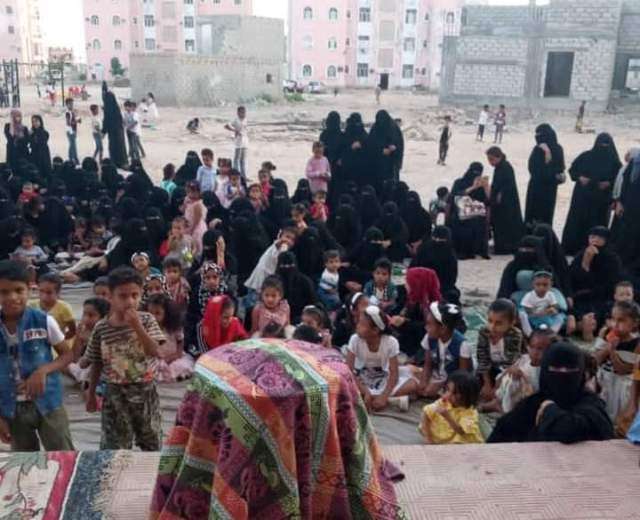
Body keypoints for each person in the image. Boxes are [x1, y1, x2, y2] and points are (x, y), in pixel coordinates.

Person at [85, 267, 165, 450]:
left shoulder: (147, 320)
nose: (130, 301)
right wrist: (91, 393)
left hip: (145, 390)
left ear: (141, 294)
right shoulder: (102, 328)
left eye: (134, 295)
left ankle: (151, 469)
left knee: (151, 440)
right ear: (111, 297)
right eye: (122, 296)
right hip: (115, 393)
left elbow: (156, 351)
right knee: (115, 445)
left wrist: (137, 327)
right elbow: (96, 362)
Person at [0, 260, 74, 451]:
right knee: (24, 461)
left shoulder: (44, 321)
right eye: (4, 292)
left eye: (19, 290)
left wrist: (43, 371)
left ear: (29, 290)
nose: (12, 297)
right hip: (11, 408)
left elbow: (67, 355)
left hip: (48, 402)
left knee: (62, 455)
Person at [488, 341, 614, 443]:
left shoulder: (591, 405)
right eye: (555, 368)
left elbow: (572, 430)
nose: (563, 375)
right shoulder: (530, 406)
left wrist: (550, 411)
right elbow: (498, 440)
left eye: (570, 370)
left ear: (581, 374)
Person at [346, 305, 417, 412]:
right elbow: (348, 371)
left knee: (412, 385)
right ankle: (391, 400)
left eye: (362, 324)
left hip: (383, 378)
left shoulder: (391, 342)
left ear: (375, 330)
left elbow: (394, 374)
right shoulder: (355, 339)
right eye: (359, 322)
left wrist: (384, 396)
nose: (357, 326)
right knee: (344, 385)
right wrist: (365, 391)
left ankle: (375, 399)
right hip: (361, 379)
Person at [562, 133, 621, 256]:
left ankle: (596, 249)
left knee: (597, 223)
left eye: (606, 144)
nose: (603, 147)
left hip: (601, 199)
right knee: (577, 221)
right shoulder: (586, 156)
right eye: (601, 144)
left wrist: (609, 183)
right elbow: (572, 170)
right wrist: (580, 177)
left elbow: (620, 180)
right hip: (582, 196)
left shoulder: (615, 162)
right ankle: (573, 248)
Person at [570, 227, 623, 342]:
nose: (595, 240)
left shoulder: (612, 259)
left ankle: (589, 330)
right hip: (580, 296)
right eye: (592, 237)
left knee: (598, 312)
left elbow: (610, 285)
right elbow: (573, 279)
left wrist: (586, 268)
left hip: (602, 297)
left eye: (600, 237)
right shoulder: (581, 255)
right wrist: (585, 262)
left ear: (606, 240)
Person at [594, 300, 640, 422]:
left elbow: (623, 370)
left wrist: (612, 351)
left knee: (617, 417)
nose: (615, 324)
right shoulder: (605, 333)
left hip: (622, 387)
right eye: (613, 319)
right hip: (604, 381)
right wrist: (607, 348)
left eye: (621, 320)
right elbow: (595, 361)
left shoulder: (636, 344)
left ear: (634, 323)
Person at [493, 328, 555, 414]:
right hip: (508, 395)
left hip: (529, 402)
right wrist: (511, 370)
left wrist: (523, 378)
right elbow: (503, 377)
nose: (535, 352)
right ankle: (499, 404)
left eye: (540, 349)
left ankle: (503, 408)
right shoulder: (524, 359)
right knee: (511, 378)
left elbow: (538, 393)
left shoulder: (547, 370)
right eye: (532, 347)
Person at [419, 302, 472, 398]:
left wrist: (442, 385)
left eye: (429, 324)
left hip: (453, 383)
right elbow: (427, 365)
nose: (426, 327)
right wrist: (423, 382)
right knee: (409, 371)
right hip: (436, 375)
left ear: (443, 328)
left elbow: (462, 378)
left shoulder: (462, 345)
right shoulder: (429, 337)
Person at [477, 299, 525, 403]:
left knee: (510, 386)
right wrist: (487, 384)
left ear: (511, 323)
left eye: (498, 323)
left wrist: (496, 386)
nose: (492, 327)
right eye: (490, 321)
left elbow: (510, 363)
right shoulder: (484, 332)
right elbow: (483, 359)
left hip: (507, 370)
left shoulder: (515, 335)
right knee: (473, 383)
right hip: (490, 368)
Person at [420, 371, 483, 444]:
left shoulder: (470, 412)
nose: (448, 395)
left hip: (459, 439)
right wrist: (428, 438)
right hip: (441, 434)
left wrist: (447, 416)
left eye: (455, 393)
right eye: (448, 390)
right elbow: (426, 412)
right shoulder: (445, 401)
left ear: (467, 397)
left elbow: (461, 431)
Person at [391, 267, 441, 358]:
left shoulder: (434, 308)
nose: (405, 285)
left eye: (408, 282)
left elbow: (427, 329)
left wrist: (405, 322)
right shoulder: (410, 299)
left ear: (417, 285)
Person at [145, 294, 194, 382]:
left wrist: (176, 355)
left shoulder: (173, 328)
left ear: (167, 313)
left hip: (174, 356)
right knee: (152, 369)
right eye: (150, 313)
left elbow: (180, 341)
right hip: (157, 359)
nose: (153, 317)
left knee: (180, 367)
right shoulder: (147, 328)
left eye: (157, 313)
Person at [525, 124, 565, 227]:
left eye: (540, 135)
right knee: (533, 217)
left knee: (546, 217)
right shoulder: (537, 150)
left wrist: (548, 158)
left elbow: (560, 169)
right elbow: (533, 170)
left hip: (549, 190)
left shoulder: (558, 149)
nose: (537, 138)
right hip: (536, 189)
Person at [487, 146, 524, 255]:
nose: (490, 162)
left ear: (498, 157)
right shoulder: (499, 167)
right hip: (501, 201)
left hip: (507, 202)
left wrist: (501, 193)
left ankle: (506, 247)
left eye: (491, 159)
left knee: (506, 224)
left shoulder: (506, 167)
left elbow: (508, 184)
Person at [449, 162, 490, 259]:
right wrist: (473, 187)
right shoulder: (459, 182)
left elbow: (488, 200)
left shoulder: (481, 185)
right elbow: (456, 195)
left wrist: (486, 187)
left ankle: (478, 250)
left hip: (477, 211)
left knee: (478, 222)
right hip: (461, 211)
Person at [68, 298, 110, 389]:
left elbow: (100, 358)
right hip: (86, 366)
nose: (86, 319)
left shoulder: (105, 331)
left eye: (91, 315)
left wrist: (89, 340)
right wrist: (78, 338)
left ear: (103, 317)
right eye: (84, 314)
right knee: (63, 363)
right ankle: (84, 381)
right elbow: (74, 358)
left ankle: (87, 383)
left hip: (101, 368)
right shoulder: (83, 331)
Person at [412, 226, 459, 304]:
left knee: (452, 295)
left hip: (441, 287)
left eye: (441, 240)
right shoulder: (424, 249)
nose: (437, 241)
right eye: (436, 239)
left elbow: (451, 278)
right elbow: (413, 270)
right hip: (423, 286)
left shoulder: (449, 254)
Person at [29, 273, 76, 350]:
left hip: (56, 344)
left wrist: (59, 340)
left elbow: (72, 331)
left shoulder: (64, 308)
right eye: (41, 291)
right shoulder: (31, 306)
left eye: (49, 293)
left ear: (58, 293)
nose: (44, 296)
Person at [519, 271, 565, 337]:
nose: (541, 288)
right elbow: (527, 310)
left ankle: (552, 333)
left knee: (560, 317)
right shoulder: (529, 296)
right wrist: (538, 313)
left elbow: (554, 306)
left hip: (547, 316)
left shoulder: (550, 294)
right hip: (533, 317)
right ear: (533, 284)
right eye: (538, 285)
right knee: (522, 314)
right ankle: (530, 334)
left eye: (545, 285)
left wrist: (552, 309)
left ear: (551, 285)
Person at [367, 110, 404, 192]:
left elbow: (400, 145)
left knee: (391, 188)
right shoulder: (375, 129)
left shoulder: (394, 128)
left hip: (391, 164)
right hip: (377, 165)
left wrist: (394, 149)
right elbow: (370, 145)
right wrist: (381, 150)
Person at [102, 82, 128, 168]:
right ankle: (122, 162)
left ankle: (116, 163)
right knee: (120, 146)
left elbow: (106, 119)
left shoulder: (108, 105)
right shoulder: (116, 107)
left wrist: (103, 131)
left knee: (114, 146)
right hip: (118, 129)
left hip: (113, 130)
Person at [183, 181, 208, 255]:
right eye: (188, 192)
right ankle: (187, 259)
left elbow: (196, 220)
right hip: (188, 226)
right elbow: (183, 211)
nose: (189, 194)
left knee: (194, 248)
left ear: (198, 192)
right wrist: (185, 203)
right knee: (187, 247)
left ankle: (193, 260)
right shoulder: (189, 201)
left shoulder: (197, 205)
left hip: (196, 229)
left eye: (192, 192)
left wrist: (190, 231)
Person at [225, 106, 249, 178]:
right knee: (237, 159)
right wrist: (234, 130)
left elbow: (245, 129)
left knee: (243, 159)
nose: (243, 114)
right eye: (242, 112)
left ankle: (243, 176)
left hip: (245, 141)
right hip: (238, 142)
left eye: (244, 112)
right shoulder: (236, 120)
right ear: (238, 113)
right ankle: (236, 174)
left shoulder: (245, 120)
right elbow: (226, 126)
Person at [64, 97, 80, 165]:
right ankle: (75, 159)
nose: (71, 105)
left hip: (73, 131)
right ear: (67, 105)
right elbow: (68, 123)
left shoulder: (72, 112)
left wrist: (77, 120)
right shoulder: (68, 113)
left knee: (72, 146)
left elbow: (76, 121)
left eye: (72, 103)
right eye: (70, 104)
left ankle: (71, 159)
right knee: (73, 146)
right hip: (70, 131)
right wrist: (76, 121)